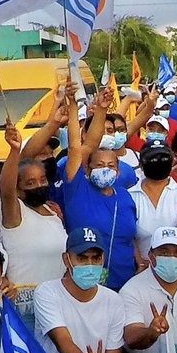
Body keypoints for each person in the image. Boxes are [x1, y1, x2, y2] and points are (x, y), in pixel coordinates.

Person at [61, 88, 139, 289]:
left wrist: (140, 263)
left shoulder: (125, 197)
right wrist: (74, 110)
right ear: (87, 169)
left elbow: (131, 238)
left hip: (126, 283)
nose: (105, 169)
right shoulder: (77, 189)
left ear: (119, 171)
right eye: (99, 165)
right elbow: (76, 148)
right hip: (85, 283)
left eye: (111, 166)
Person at [0, 120, 67, 329]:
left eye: (42, 180)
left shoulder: (53, 211)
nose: (38, 186)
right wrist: (14, 151)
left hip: (58, 306)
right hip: (27, 311)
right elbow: (6, 190)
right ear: (19, 189)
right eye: (30, 183)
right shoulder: (15, 214)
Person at [130, 141, 177, 264]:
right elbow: (128, 236)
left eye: (163, 159)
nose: (158, 162)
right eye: (152, 159)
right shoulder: (129, 195)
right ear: (141, 164)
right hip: (144, 270)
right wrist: (140, 263)